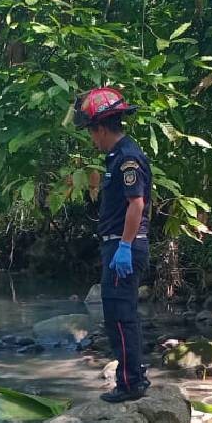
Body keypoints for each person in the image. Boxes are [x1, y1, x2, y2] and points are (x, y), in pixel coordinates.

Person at [73, 87, 152, 403]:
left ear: (101, 129)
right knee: (119, 314)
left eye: (92, 133)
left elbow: (136, 204)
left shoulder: (127, 158)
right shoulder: (117, 157)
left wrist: (124, 246)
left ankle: (131, 383)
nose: (92, 140)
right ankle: (132, 377)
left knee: (120, 315)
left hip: (125, 246)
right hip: (118, 245)